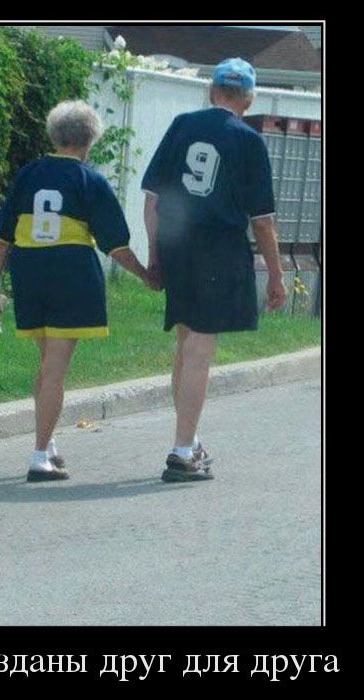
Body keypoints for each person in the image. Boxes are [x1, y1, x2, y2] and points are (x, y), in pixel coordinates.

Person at [0, 100, 155, 482]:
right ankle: (38, 456)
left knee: (48, 363)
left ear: (54, 135)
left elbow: (0, 241)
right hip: (70, 274)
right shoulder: (88, 180)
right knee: (55, 368)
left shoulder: (28, 174)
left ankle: (48, 444)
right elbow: (116, 246)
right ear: (90, 139)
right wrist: (145, 275)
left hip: (29, 273)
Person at [142, 57, 287, 483]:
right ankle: (182, 451)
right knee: (200, 349)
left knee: (186, 341)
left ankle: (190, 440)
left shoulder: (181, 125)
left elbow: (152, 199)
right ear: (249, 98)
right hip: (218, 247)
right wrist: (276, 275)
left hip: (177, 241)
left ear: (212, 91)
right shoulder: (248, 140)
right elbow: (262, 220)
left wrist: (155, 252)